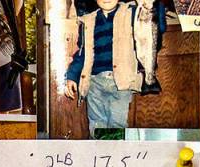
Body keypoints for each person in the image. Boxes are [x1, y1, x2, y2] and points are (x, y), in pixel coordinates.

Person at [63, 0, 150, 134]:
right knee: (97, 125)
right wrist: (72, 76)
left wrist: (150, 5)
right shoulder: (88, 20)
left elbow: (156, 25)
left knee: (117, 125)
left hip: (122, 83)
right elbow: (82, 53)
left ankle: (115, 153)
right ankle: (99, 153)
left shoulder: (132, 13)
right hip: (94, 83)